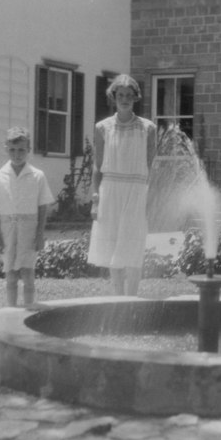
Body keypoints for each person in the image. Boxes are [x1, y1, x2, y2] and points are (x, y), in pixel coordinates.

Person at [87, 74, 157, 295]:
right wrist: (95, 200)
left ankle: (132, 297)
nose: (124, 99)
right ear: (113, 97)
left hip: (137, 190)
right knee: (112, 245)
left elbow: (151, 166)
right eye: (120, 95)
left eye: (129, 95)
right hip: (110, 191)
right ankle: (117, 299)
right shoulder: (102, 128)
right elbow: (97, 167)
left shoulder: (148, 128)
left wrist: (150, 198)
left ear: (135, 98)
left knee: (133, 245)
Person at [0, 127, 55, 307]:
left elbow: (42, 207)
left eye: (21, 150)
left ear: (28, 150)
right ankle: (11, 311)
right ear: (6, 149)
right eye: (13, 150)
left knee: (28, 273)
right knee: (11, 275)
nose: (17, 154)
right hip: (7, 229)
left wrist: (39, 234)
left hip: (28, 229)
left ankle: (29, 310)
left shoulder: (37, 176)